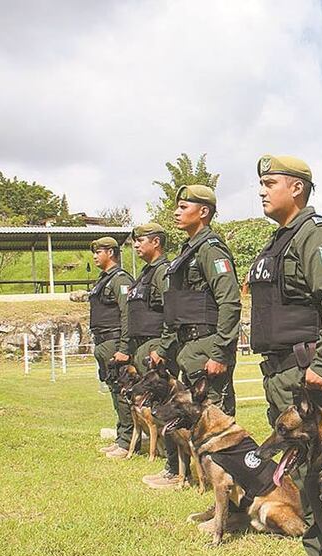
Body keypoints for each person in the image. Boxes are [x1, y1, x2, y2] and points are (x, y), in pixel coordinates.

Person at [248, 154, 322, 556]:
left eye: (269, 182)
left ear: (296, 188)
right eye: (260, 182)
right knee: (302, 471)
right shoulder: (279, 241)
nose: (261, 189)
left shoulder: (314, 236)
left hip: (306, 372)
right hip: (280, 373)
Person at [144, 185, 241, 489]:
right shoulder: (190, 251)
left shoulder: (211, 249)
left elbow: (230, 301)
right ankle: (205, 480)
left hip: (208, 345)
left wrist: (221, 352)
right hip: (190, 347)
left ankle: (234, 485)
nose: (176, 212)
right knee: (197, 421)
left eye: (184, 207)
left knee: (218, 418)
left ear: (204, 212)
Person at [105, 223, 171, 460]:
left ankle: (169, 455)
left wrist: (162, 347)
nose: (135, 245)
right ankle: (161, 451)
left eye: (140, 241)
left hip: (154, 345)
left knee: (161, 403)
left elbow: (171, 311)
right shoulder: (145, 273)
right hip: (141, 345)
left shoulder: (163, 271)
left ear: (155, 242)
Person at [90, 236, 135, 458]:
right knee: (113, 389)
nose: (95, 256)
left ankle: (127, 441)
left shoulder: (120, 280)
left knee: (121, 390)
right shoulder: (104, 279)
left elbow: (128, 314)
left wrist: (125, 347)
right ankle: (121, 436)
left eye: (99, 252)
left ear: (111, 252)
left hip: (114, 341)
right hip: (102, 342)